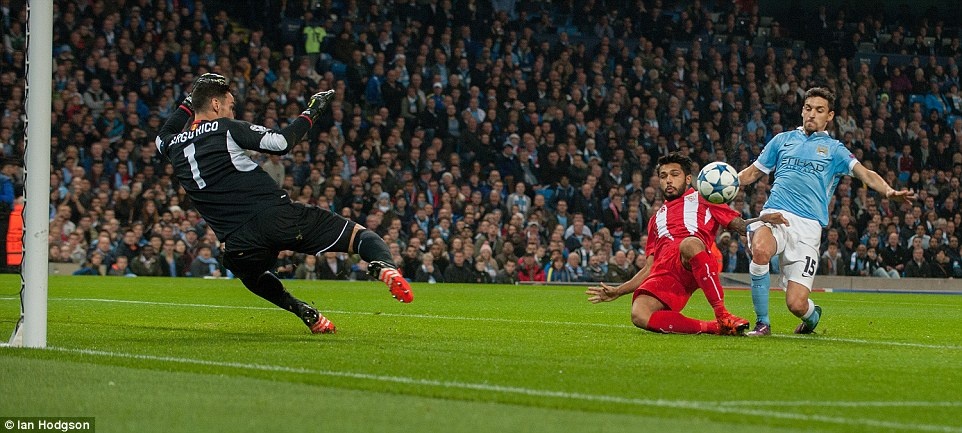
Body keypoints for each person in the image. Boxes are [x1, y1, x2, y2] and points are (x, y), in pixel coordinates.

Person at [155, 73, 413, 335]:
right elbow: (280, 143)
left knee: (252, 277)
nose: (232, 112)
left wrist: (188, 101)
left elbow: (161, 136)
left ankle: (301, 309)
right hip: (276, 217)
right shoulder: (226, 128)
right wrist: (311, 112)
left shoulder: (173, 145)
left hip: (237, 241)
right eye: (231, 106)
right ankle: (386, 266)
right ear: (215, 104)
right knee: (360, 236)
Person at [737, 87, 915, 336]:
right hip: (775, 214)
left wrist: (888, 191)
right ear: (802, 111)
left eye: (819, 110)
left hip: (808, 227)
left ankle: (812, 316)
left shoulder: (835, 150)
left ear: (829, 116)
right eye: (808, 108)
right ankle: (762, 323)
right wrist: (726, 184)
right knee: (760, 249)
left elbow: (865, 174)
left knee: (796, 304)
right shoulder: (782, 140)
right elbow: (752, 173)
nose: (812, 114)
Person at [586, 153, 787, 335]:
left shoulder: (705, 198)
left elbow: (740, 226)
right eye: (663, 176)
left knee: (689, 243)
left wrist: (763, 219)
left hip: (693, 257)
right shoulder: (655, 219)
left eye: (674, 174)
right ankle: (715, 327)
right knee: (639, 314)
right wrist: (618, 291)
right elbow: (649, 268)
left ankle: (722, 314)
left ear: (688, 179)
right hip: (666, 273)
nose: (668, 180)